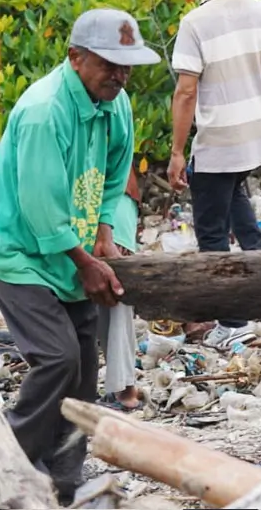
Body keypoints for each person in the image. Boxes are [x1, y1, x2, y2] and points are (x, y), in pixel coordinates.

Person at [0, 8, 159, 503]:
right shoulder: (43, 111)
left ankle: (64, 481)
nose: (119, 76)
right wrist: (86, 261)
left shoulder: (114, 102)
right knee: (55, 358)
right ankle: (6, 454)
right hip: (20, 252)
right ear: (76, 58)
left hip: (68, 249)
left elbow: (117, 169)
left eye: (126, 67)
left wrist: (103, 234)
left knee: (81, 372)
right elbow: (39, 208)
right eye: (108, 65)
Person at [167, 0, 261, 352]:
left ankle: (233, 321)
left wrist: (177, 152)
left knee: (212, 234)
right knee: (237, 200)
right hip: (254, 135)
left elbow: (186, 92)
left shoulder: (194, 23)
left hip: (218, 141)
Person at [97, 167, 143, 411]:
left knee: (115, 288)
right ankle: (123, 387)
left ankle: (124, 387)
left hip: (112, 197)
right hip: (97, 197)